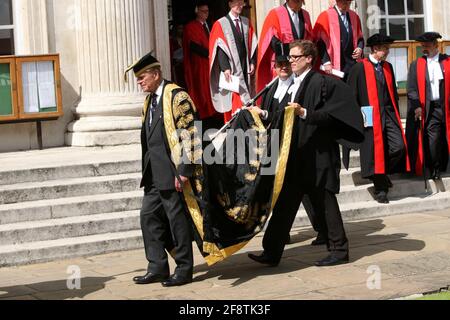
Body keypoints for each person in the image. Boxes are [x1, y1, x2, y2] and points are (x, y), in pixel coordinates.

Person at [248, 40, 364, 267]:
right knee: (284, 203)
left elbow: (332, 116)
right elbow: (282, 117)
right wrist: (261, 113)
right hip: (297, 156)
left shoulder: (321, 82)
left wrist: (304, 112)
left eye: (295, 57)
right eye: (289, 57)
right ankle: (271, 252)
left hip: (318, 156)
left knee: (326, 203)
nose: (290, 61)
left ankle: (339, 250)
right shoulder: (294, 84)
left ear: (309, 58)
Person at [124, 52, 200, 287]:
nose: (139, 82)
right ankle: (157, 267)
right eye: (137, 78)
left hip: (173, 172)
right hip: (153, 173)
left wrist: (185, 170)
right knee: (148, 217)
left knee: (177, 221)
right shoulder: (149, 100)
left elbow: (191, 133)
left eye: (142, 76)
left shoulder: (177, 97)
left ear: (156, 74)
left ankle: (184, 269)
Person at [251, 43, 327, 246]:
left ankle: (323, 230)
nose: (284, 67)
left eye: (287, 64)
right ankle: (281, 235)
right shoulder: (270, 88)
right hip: (275, 145)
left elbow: (288, 114)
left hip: (295, 146)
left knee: (308, 194)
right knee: (279, 192)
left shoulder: (299, 86)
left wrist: (267, 114)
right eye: (280, 64)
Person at [347, 34, 410, 204]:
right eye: (385, 48)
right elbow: (351, 96)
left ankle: (382, 174)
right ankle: (380, 187)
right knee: (375, 152)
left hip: (389, 113)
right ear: (375, 49)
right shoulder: (359, 68)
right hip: (369, 114)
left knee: (399, 147)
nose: (388, 51)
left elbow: (393, 94)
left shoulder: (387, 67)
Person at [406, 32, 450, 180]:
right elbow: (411, 89)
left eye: (427, 45)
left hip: (446, 107)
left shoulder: (447, 62)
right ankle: (435, 168)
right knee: (433, 139)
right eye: (422, 45)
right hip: (429, 109)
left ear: (436, 45)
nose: (424, 48)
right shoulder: (416, 64)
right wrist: (417, 106)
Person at [209, 0, 258, 122]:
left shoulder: (246, 22)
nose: (240, 6)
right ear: (230, 4)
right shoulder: (220, 24)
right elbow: (219, 47)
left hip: (245, 65)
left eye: (242, 3)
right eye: (237, 3)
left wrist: (252, 62)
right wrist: (225, 67)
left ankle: (248, 123)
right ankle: (235, 125)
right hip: (231, 69)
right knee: (234, 97)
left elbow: (253, 43)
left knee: (248, 94)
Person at [256, 0, 313, 93]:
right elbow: (272, 40)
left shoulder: (305, 15)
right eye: (296, 1)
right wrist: (289, 57)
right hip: (284, 63)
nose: (299, 4)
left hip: (300, 64)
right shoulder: (275, 14)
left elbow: (309, 38)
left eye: (300, 2)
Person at [183, 1, 222, 131]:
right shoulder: (191, 27)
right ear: (197, 11)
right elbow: (194, 46)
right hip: (199, 67)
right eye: (203, 11)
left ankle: (216, 118)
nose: (206, 14)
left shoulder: (210, 26)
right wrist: (210, 53)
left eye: (207, 11)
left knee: (214, 91)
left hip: (211, 65)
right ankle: (205, 122)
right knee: (202, 95)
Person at [314, 0, 364, 81]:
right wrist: (326, 62)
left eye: (349, 3)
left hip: (352, 64)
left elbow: (360, 38)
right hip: (334, 66)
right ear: (337, 1)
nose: (347, 6)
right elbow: (320, 42)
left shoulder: (354, 16)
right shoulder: (325, 16)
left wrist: (359, 48)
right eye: (344, 3)